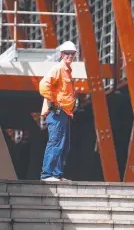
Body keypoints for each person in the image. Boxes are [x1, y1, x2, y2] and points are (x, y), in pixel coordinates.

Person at [39, 41, 81, 182]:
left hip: (63, 113)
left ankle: (56, 174)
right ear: (62, 55)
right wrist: (53, 104)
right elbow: (44, 85)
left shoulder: (67, 71)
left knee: (64, 145)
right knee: (56, 142)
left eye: (72, 53)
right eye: (67, 53)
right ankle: (47, 174)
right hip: (57, 112)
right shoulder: (58, 69)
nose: (70, 56)